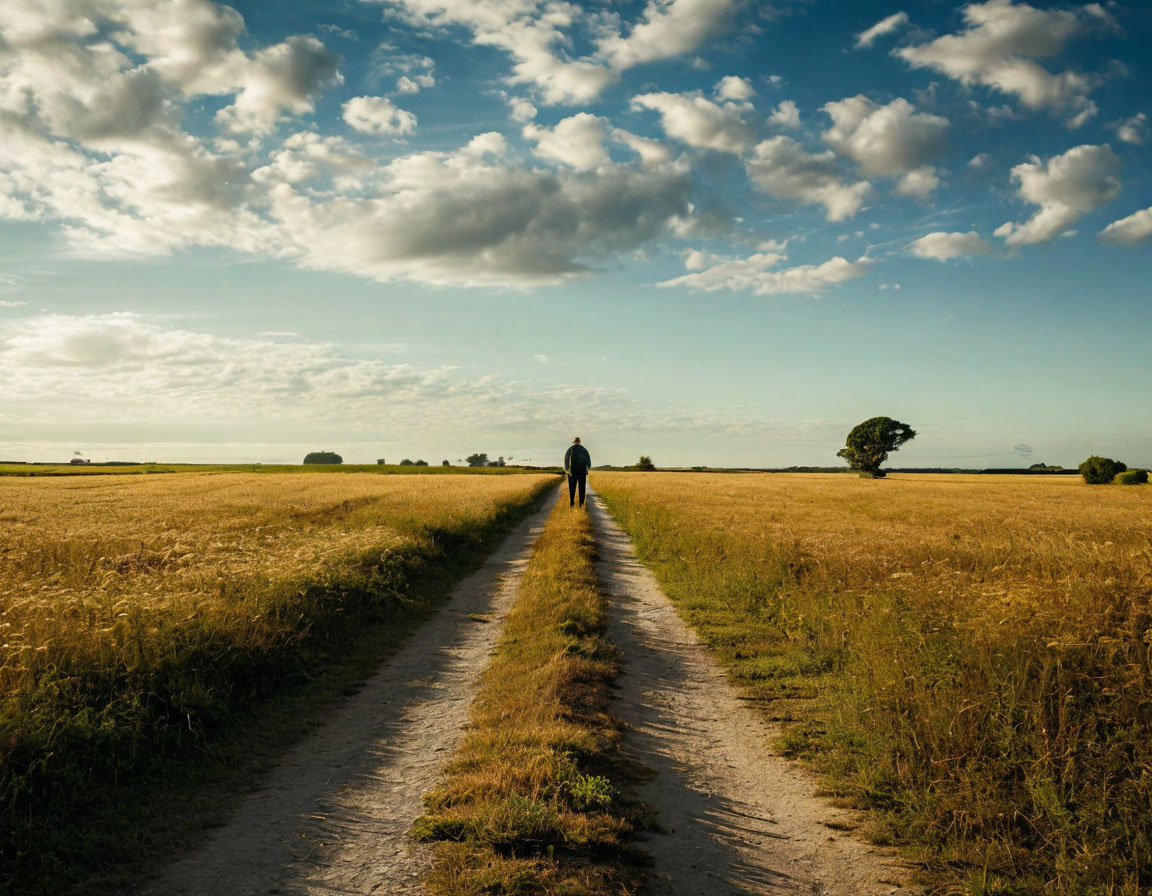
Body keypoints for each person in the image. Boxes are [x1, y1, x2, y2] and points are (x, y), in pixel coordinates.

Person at [563, 436, 591, 508]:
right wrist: (587, 469)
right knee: (582, 488)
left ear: (574, 442)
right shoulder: (584, 449)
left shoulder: (570, 449)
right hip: (582, 471)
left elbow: (566, 459)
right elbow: (588, 460)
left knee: (572, 488)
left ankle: (572, 504)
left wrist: (567, 469)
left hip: (572, 472)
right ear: (579, 442)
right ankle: (581, 504)